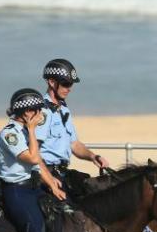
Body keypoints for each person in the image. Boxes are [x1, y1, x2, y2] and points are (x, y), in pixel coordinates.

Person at [0, 88, 66, 232]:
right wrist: (33, 130)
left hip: (32, 187)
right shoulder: (10, 133)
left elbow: (38, 164)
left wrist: (51, 182)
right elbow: (32, 157)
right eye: (35, 110)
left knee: (57, 215)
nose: (39, 114)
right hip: (15, 190)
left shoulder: (26, 131)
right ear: (25, 112)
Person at [37, 59, 109, 200]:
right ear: (52, 82)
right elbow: (33, 151)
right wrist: (49, 179)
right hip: (46, 174)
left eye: (71, 84)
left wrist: (93, 156)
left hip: (63, 173)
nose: (69, 88)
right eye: (66, 84)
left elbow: (74, 144)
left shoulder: (63, 109)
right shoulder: (42, 112)